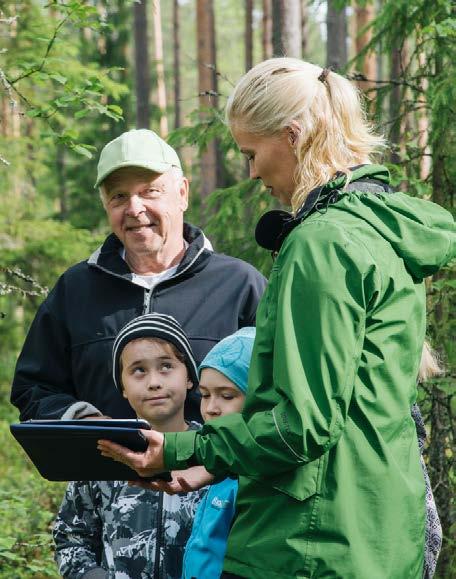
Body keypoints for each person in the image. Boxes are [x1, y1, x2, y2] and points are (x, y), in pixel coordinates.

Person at [98, 58, 456, 578]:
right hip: (374, 526)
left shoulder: (322, 242)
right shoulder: (375, 229)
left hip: (310, 543)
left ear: (291, 136)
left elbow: (299, 428)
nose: (251, 173)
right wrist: (209, 465)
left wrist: (180, 449)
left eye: (251, 153)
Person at [11, 129, 266, 423]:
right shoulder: (76, 288)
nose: (134, 208)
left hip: (210, 468)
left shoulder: (239, 285)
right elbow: (33, 388)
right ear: (106, 204)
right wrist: (85, 422)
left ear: (182, 193)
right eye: (119, 196)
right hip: (103, 467)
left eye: (149, 191)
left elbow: (274, 391)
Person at [53, 313, 204, 579]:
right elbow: (70, 537)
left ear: (190, 377)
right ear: (122, 386)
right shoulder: (102, 451)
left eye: (166, 366)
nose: (154, 381)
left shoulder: (213, 450)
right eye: (138, 370)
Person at [182, 327, 255, 579]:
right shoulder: (219, 464)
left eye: (227, 395)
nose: (211, 408)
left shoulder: (255, 478)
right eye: (204, 395)